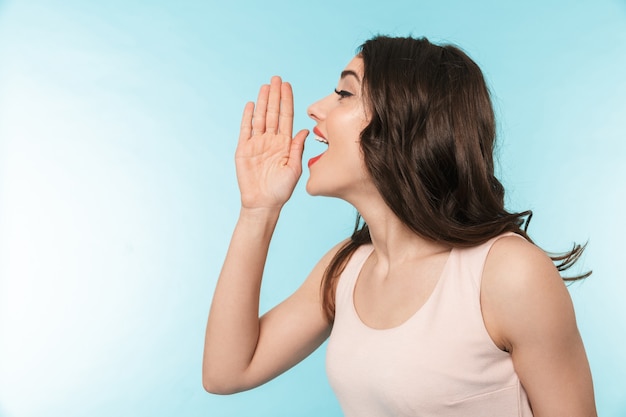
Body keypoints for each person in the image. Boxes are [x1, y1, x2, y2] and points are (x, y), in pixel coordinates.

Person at [202, 35, 597, 416]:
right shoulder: (345, 270)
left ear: (405, 121)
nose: (316, 108)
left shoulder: (509, 274)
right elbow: (226, 372)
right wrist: (258, 210)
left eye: (345, 94)